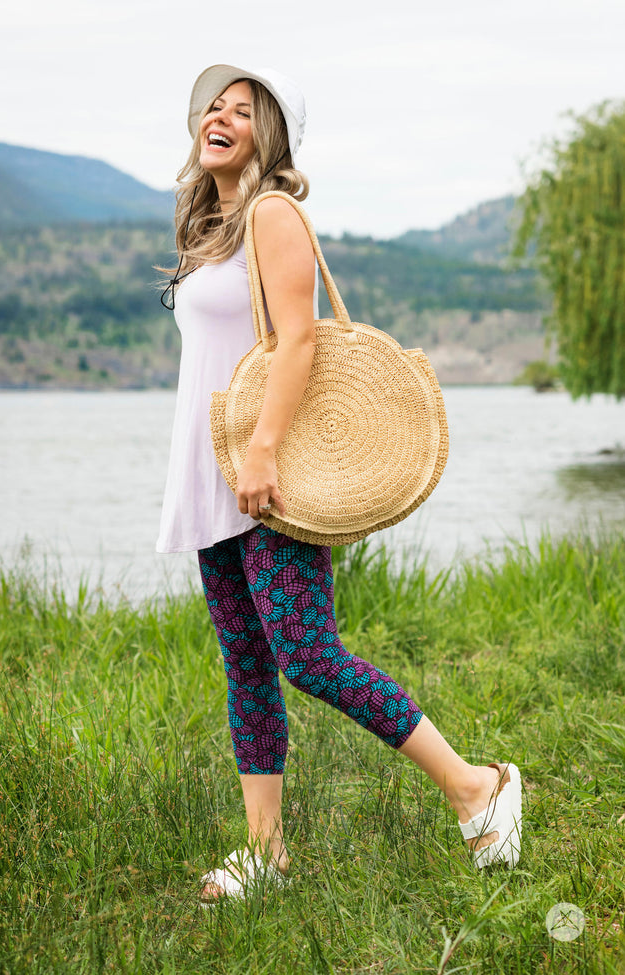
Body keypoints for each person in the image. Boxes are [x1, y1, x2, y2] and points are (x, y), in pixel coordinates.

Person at [156, 64, 523, 901]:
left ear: (269, 136)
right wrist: (233, 457)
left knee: (308, 655)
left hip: (267, 473)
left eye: (242, 109)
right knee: (248, 662)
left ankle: (476, 786)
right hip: (215, 469)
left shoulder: (272, 213)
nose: (220, 116)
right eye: (214, 105)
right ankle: (266, 853)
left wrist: (263, 451)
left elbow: (301, 340)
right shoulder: (209, 227)